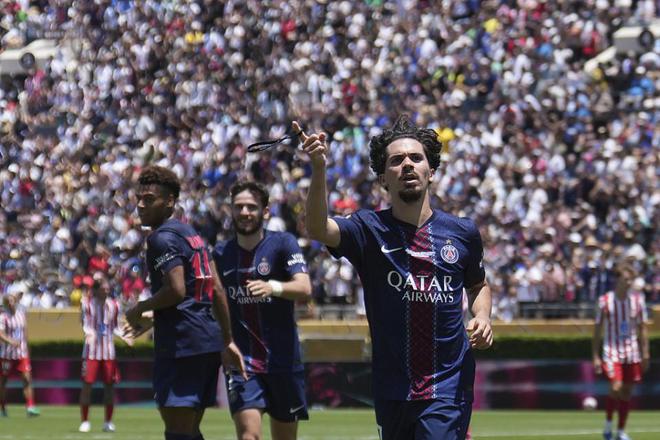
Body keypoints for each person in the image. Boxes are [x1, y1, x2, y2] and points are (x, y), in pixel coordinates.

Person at [297, 116, 493, 440]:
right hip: (392, 388)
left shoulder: (462, 232)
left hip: (448, 383)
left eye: (416, 158)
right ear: (383, 178)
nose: (407, 165)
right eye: (397, 160)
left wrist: (482, 316)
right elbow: (318, 228)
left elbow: (478, 285)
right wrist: (319, 168)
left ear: (431, 171)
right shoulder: (367, 229)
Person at [125, 165, 245, 440]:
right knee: (189, 430)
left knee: (178, 432)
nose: (140, 205)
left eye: (149, 199)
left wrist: (140, 308)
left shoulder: (161, 238)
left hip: (182, 345)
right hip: (207, 342)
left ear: (170, 201)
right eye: (139, 199)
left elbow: (176, 290)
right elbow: (215, 288)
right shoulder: (192, 235)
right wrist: (227, 339)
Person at [213, 179, 312, 440]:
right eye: (238, 207)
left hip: (283, 362)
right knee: (249, 436)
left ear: (265, 211)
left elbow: (304, 287)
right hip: (242, 362)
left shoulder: (283, 243)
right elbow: (210, 301)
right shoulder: (221, 253)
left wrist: (273, 287)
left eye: (251, 207)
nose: (244, 212)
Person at [592, 260, 650, 440]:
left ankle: (621, 431)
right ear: (617, 280)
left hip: (631, 351)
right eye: (626, 279)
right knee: (616, 387)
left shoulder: (637, 301)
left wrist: (645, 353)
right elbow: (597, 329)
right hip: (611, 351)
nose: (629, 282)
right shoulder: (605, 301)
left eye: (631, 279)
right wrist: (595, 356)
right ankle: (608, 425)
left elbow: (642, 328)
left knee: (627, 391)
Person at [78, 273, 121, 433]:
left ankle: (108, 421)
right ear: (96, 290)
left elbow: (116, 327)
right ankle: (85, 421)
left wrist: (126, 336)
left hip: (108, 352)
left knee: (109, 387)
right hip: (91, 352)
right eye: (103, 289)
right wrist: (88, 334)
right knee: (87, 386)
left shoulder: (114, 305)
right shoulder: (87, 304)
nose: (106, 291)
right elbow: (85, 324)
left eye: (107, 289)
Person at [0, 288, 40, 417]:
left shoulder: (21, 314)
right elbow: (0, 333)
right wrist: (11, 341)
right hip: (6, 355)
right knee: (3, 382)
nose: (11, 303)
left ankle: (30, 407)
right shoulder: (3, 317)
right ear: (6, 303)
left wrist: (27, 347)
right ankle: (2, 407)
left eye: (13, 300)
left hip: (21, 353)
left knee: (27, 379)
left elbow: (25, 332)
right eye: (9, 301)